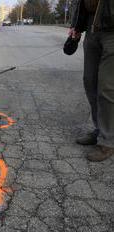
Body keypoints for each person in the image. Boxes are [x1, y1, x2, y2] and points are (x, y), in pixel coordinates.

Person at [70, 0, 114, 162]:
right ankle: (99, 130)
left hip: (111, 30)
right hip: (92, 27)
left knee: (107, 87)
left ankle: (108, 139)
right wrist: (76, 24)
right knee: (90, 82)